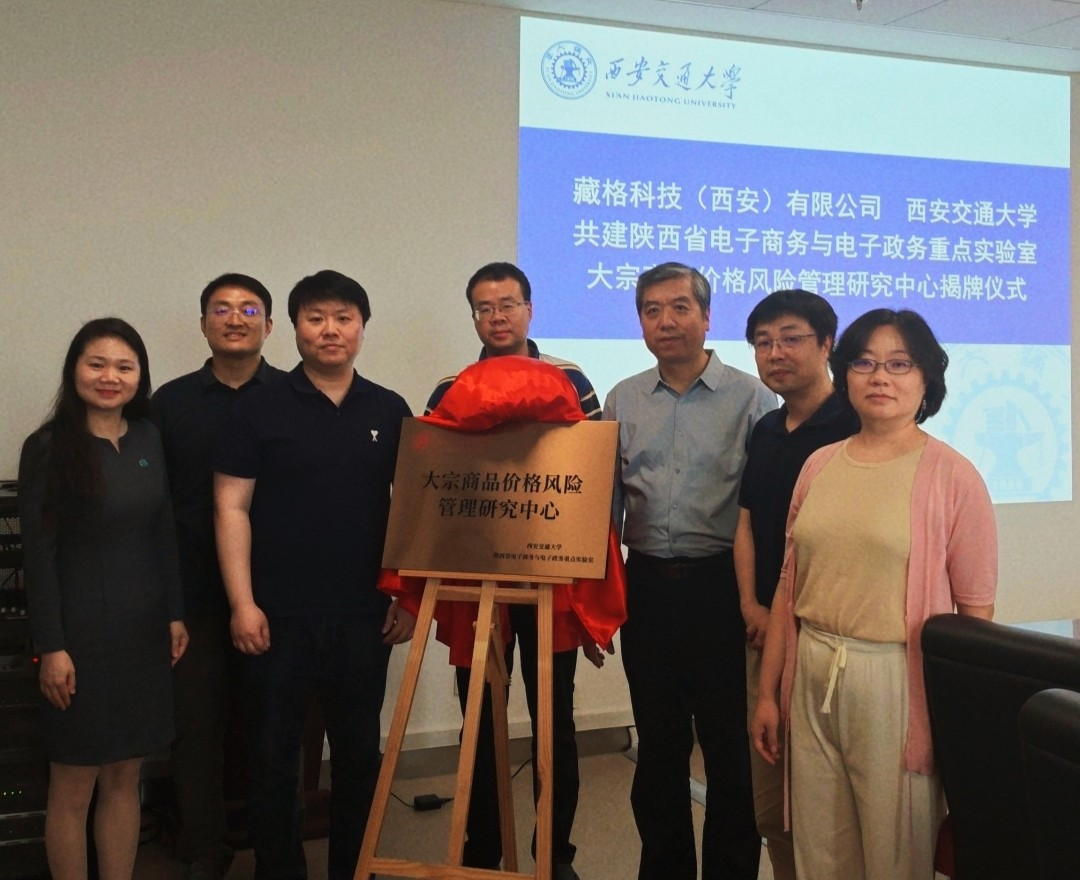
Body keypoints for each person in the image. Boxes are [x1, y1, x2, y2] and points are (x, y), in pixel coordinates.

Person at [750, 308, 997, 880]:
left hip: (896, 680)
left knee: (893, 851)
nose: (880, 377)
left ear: (927, 379)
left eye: (899, 364)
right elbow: (788, 587)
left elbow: (975, 618)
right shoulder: (819, 464)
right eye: (863, 363)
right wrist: (767, 693)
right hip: (813, 668)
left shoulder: (953, 477)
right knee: (819, 844)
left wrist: (962, 723)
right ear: (844, 374)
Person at [213, 270, 414, 880]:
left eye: (344, 318)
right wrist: (242, 603)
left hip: (365, 615)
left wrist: (406, 595)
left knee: (358, 757)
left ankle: (355, 868)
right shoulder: (257, 407)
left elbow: (411, 511)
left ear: (362, 328)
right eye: (317, 318)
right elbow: (230, 507)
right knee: (274, 759)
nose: (331, 330)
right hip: (277, 615)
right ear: (294, 327)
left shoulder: (389, 408)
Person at [424, 262, 601, 880]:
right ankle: (481, 851)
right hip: (476, 583)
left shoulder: (571, 379)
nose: (496, 317)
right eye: (484, 308)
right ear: (473, 316)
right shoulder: (451, 387)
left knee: (555, 723)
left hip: (553, 577)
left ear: (530, 309)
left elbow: (593, 475)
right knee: (478, 720)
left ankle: (555, 853)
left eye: (507, 304)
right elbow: (434, 484)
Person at [603, 262, 776, 880]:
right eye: (652, 310)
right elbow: (605, 508)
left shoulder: (753, 398)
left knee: (730, 751)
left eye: (680, 307)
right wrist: (596, 607)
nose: (666, 321)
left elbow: (765, 511)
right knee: (659, 747)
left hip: (723, 591)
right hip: (648, 589)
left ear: (706, 316)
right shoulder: (622, 398)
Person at [19, 317, 189, 880]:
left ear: (140, 376)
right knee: (74, 782)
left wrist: (175, 613)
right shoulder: (48, 447)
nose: (110, 377)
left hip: (143, 633)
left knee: (125, 775)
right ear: (75, 370)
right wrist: (51, 646)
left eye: (124, 366)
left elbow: (163, 532)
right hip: (79, 638)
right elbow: (39, 557)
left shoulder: (148, 439)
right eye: (97, 364)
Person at [152, 273, 284, 880]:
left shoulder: (293, 395)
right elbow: (152, 506)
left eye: (249, 309)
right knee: (197, 732)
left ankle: (274, 846)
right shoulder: (168, 404)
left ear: (270, 325)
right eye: (222, 309)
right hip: (194, 594)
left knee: (273, 728)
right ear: (203, 323)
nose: (235, 319)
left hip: (277, 594)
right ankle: (204, 850)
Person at [734, 290, 859, 880]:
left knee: (829, 803)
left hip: (828, 639)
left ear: (827, 344)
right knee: (773, 803)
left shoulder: (856, 424)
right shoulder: (765, 428)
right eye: (763, 342)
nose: (775, 352)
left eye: (791, 338)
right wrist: (751, 607)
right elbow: (746, 524)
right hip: (765, 635)